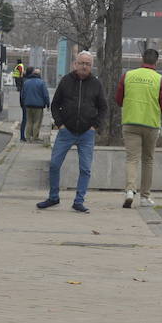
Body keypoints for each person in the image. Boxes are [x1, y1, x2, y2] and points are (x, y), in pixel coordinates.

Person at [37, 51, 106, 213]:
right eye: (81, 63)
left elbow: (103, 108)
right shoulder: (66, 81)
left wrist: (95, 126)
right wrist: (60, 124)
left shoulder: (96, 84)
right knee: (54, 164)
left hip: (87, 133)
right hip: (66, 131)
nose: (84, 66)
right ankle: (53, 197)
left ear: (91, 66)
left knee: (85, 169)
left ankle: (79, 201)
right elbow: (55, 105)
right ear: (75, 64)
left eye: (88, 64)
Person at [117, 48, 162, 209]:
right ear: (157, 61)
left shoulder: (128, 76)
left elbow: (119, 99)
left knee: (131, 159)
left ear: (142, 59)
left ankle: (129, 191)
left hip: (131, 123)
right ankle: (145, 197)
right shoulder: (160, 80)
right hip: (151, 125)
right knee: (148, 160)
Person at [20, 67, 49, 142]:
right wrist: (47, 104)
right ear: (39, 75)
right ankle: (35, 137)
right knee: (37, 122)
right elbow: (45, 95)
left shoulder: (26, 82)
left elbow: (22, 94)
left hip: (28, 105)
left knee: (29, 121)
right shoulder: (41, 83)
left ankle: (28, 137)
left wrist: (23, 103)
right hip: (38, 106)